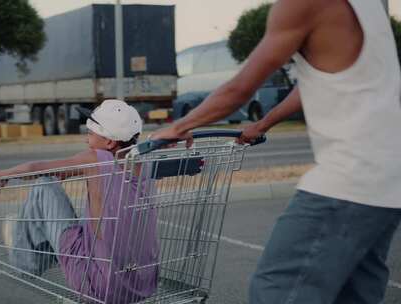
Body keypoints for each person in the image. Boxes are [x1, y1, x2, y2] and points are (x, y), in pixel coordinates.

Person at [151, 0, 401, 303]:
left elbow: (240, 89)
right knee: (354, 294)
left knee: (277, 290)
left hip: (349, 180)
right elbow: (314, 79)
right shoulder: (371, 5)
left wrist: (179, 127)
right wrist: (264, 123)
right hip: (389, 183)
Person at [0, 99, 159, 303]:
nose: (87, 139)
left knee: (44, 184)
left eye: (91, 134)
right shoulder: (145, 162)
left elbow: (37, 168)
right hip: (142, 285)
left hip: (97, 285)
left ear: (109, 143)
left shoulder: (96, 158)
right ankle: (41, 245)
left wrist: (3, 174)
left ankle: (24, 264)